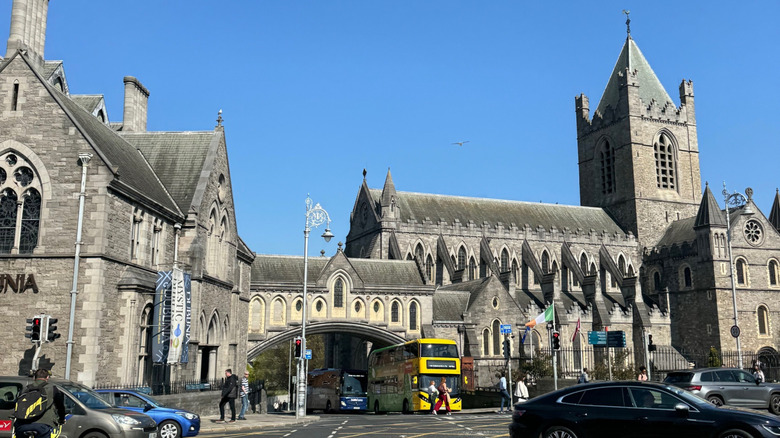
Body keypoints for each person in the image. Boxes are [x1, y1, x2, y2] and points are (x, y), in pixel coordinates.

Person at [13, 368, 66, 438]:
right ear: (47, 377)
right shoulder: (52, 388)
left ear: (34, 377)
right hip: (43, 426)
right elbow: (60, 406)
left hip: (22, 425)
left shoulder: (25, 389)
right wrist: (61, 419)